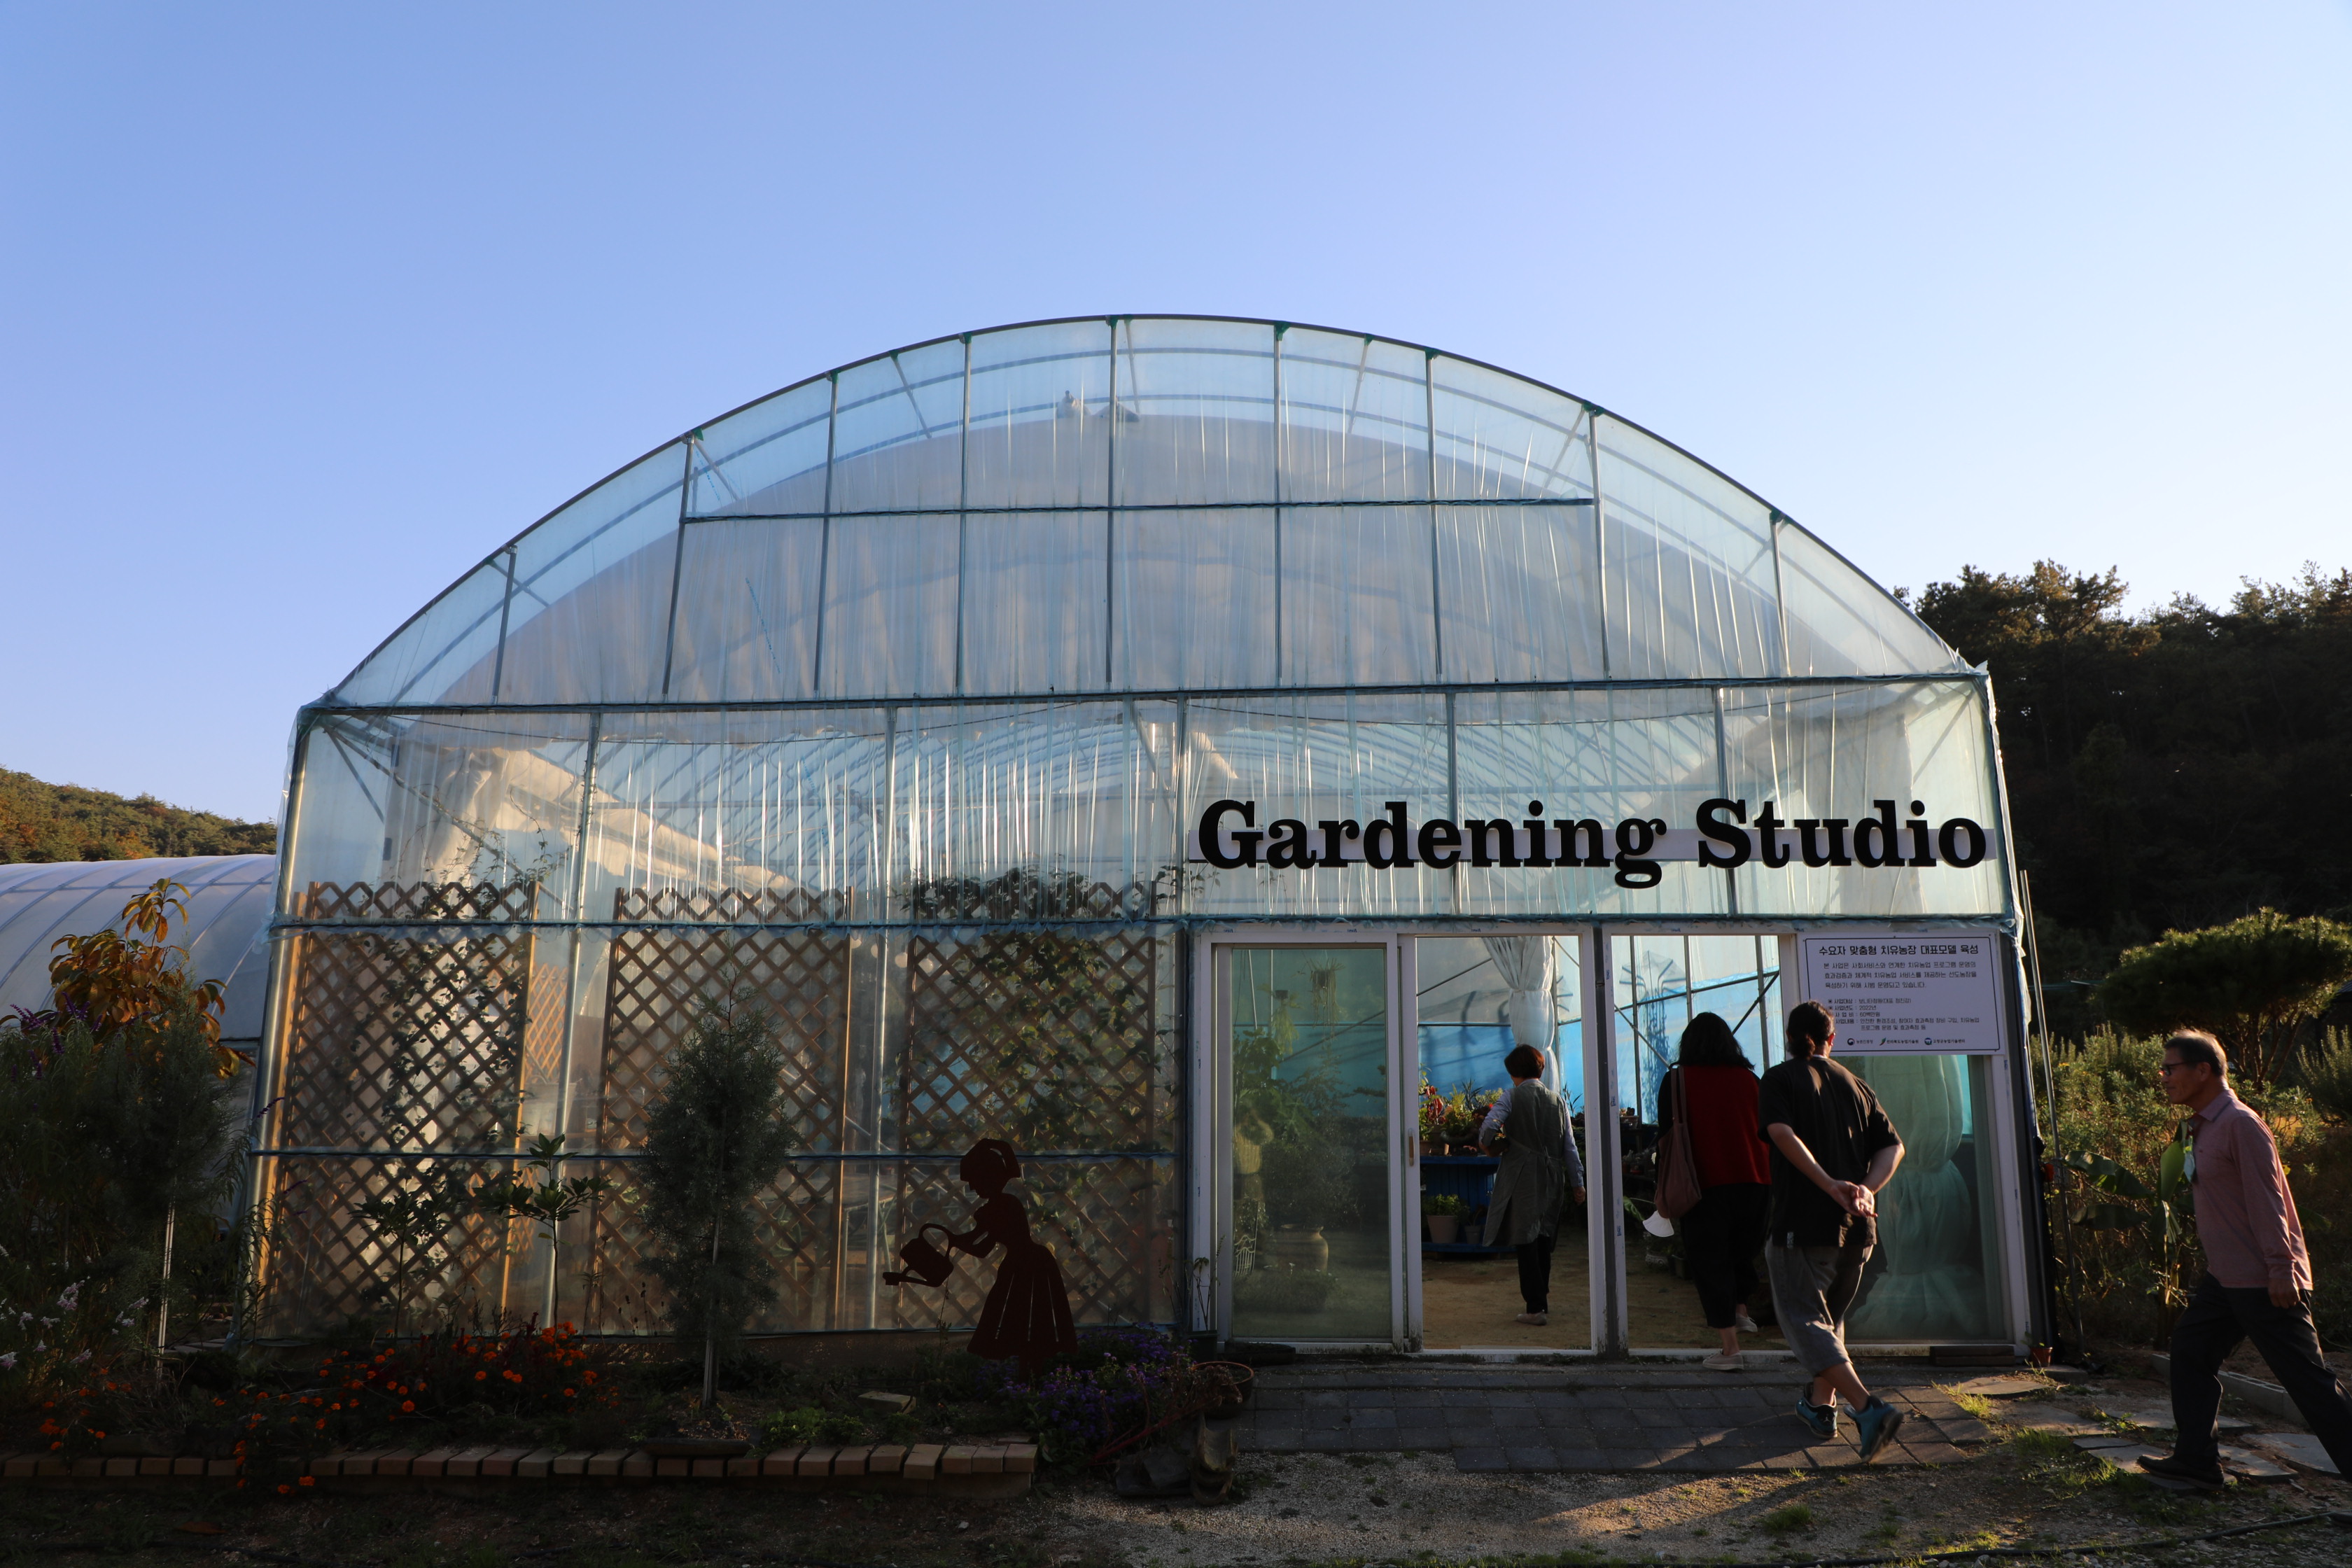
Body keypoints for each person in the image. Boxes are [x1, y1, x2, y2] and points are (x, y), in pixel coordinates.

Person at [2140, 1031, 2352, 1490]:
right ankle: (2197, 1461)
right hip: (2226, 1280)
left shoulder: (2240, 1124)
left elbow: (2268, 1201)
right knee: (2190, 1351)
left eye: (2170, 1068)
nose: (2164, 1077)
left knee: (2310, 1385)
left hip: (2264, 1280)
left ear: (2203, 1070)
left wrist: (2281, 1268)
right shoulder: (2203, 1126)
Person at [1759, 1000, 1910, 1461]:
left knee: (1805, 1320)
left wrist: (1828, 1185)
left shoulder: (1780, 1079)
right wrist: (1865, 1190)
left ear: (1789, 1037)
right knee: (1830, 1322)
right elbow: (1894, 1147)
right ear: (1832, 1038)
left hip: (1802, 1225)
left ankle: (1868, 1408)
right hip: (1857, 1230)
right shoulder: (1857, 1086)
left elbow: (1781, 1133)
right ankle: (1820, 1406)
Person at [1656, 1011, 1770, 1371]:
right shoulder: (1751, 1079)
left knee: (1710, 1259)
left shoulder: (1677, 1080)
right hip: (1756, 1180)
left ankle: (1730, 1350)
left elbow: (1665, 1135)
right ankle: (1741, 1311)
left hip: (1704, 1182)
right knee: (1742, 1251)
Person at [1476, 1044, 1588, 1327]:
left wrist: (1492, 1144)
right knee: (1543, 1237)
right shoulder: (1557, 1101)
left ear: (1514, 1071)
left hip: (1524, 1175)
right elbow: (1570, 1147)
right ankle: (1542, 1301)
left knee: (1525, 1238)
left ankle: (1535, 1308)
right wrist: (1578, 1183)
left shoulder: (1511, 1096)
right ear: (1540, 1069)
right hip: (1552, 1174)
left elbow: (1489, 1129)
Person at [946, 1138, 1077, 1374]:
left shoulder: (994, 1209)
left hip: (1023, 1265)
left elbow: (981, 1248)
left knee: (1023, 1311)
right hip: (1032, 1261)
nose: (972, 1188)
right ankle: (1031, 1363)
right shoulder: (1007, 1203)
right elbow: (979, 1240)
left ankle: (1029, 1362)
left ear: (987, 1179)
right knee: (1031, 1311)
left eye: (974, 1181)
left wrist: (956, 1241)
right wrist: (992, 1146)